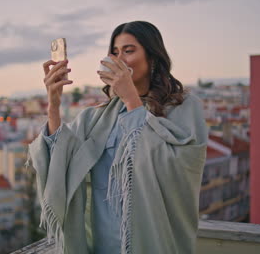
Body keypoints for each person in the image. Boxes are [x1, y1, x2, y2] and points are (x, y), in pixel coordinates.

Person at [27, 21, 208, 254]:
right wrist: (53, 103)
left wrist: (132, 100)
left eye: (128, 51)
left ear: (152, 58)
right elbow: (60, 160)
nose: (119, 59)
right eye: (114, 52)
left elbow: (176, 171)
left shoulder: (184, 108)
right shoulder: (97, 117)